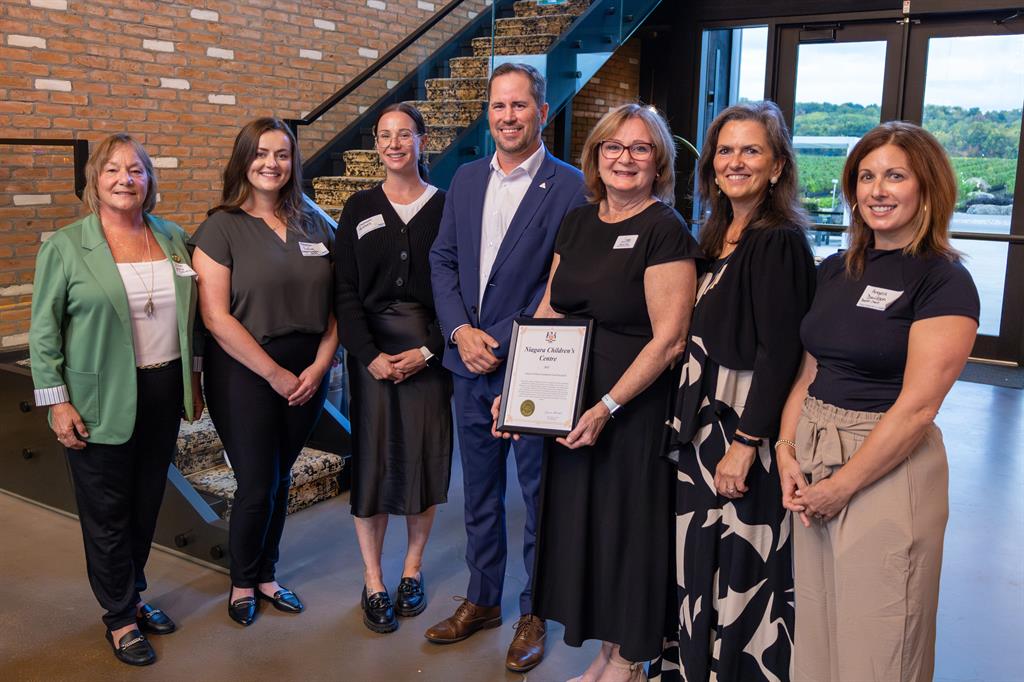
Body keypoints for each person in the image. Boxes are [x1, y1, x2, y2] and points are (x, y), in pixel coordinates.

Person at [776, 121, 978, 682]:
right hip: (814, 452)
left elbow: (917, 408)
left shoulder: (945, 282)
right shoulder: (836, 269)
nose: (877, 190)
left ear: (927, 188)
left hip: (886, 465)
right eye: (866, 176)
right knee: (818, 633)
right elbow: (809, 372)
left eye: (895, 175)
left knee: (881, 642)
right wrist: (787, 450)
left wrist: (842, 485)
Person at [514, 103, 701, 682]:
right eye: (613, 147)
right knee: (586, 530)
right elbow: (550, 308)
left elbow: (670, 341)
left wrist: (606, 407)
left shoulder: (664, 230)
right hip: (569, 406)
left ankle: (626, 661)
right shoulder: (578, 221)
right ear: (596, 156)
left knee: (627, 534)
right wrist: (517, 386)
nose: (625, 158)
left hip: (629, 411)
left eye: (640, 148)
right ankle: (604, 657)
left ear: (659, 162)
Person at [426, 62, 587, 672]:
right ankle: (483, 599)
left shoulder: (570, 186)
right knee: (480, 495)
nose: (508, 117)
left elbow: (564, 279)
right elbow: (442, 260)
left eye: (520, 106)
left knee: (539, 495)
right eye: (499, 106)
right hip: (467, 364)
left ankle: (533, 611)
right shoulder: (465, 179)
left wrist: (497, 338)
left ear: (541, 112)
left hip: (533, 367)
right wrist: (460, 332)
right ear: (487, 113)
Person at [652, 101, 816, 682]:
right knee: (700, 559)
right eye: (725, 150)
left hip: (741, 423)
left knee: (740, 565)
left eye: (752, 150)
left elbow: (782, 353)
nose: (735, 161)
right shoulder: (718, 234)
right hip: (701, 425)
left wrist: (747, 442)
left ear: (776, 167)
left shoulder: (778, 242)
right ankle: (695, 666)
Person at [29, 134, 204, 666]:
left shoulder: (172, 237)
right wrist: (57, 401)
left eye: (136, 170)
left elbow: (191, 317)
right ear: (95, 182)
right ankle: (120, 618)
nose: (125, 179)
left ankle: (134, 593)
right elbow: (43, 332)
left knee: (146, 505)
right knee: (106, 514)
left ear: (149, 181)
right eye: (112, 171)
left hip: (161, 391)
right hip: (96, 398)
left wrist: (194, 379)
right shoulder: (65, 245)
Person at [191, 117, 338, 627]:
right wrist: (275, 374)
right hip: (245, 370)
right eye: (260, 153)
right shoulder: (220, 227)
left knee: (279, 478)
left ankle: (268, 575)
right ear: (243, 161)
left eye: (282, 154)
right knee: (256, 482)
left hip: (309, 369)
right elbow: (215, 316)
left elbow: (340, 301)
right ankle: (242, 580)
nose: (271, 163)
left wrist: (321, 363)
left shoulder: (315, 222)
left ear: (294, 162)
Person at [333, 102, 453, 634]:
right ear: (376, 145)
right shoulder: (358, 207)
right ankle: (374, 578)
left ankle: (411, 571)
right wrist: (369, 355)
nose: (395, 143)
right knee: (374, 467)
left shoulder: (448, 206)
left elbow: (458, 289)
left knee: (424, 464)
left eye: (405, 133)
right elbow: (345, 291)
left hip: (430, 356)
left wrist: (429, 350)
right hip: (373, 358)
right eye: (385, 135)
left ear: (422, 140)